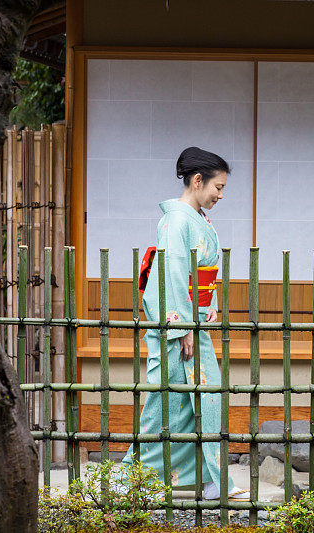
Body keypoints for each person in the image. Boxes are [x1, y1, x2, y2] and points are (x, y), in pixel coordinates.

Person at [120, 147, 245, 501]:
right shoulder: (177, 221)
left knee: (201, 402)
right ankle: (134, 480)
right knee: (167, 404)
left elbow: (200, 276)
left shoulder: (195, 218)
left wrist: (209, 307)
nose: (220, 195)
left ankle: (208, 481)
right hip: (177, 329)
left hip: (192, 323)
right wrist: (183, 328)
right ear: (197, 180)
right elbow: (174, 273)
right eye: (217, 187)